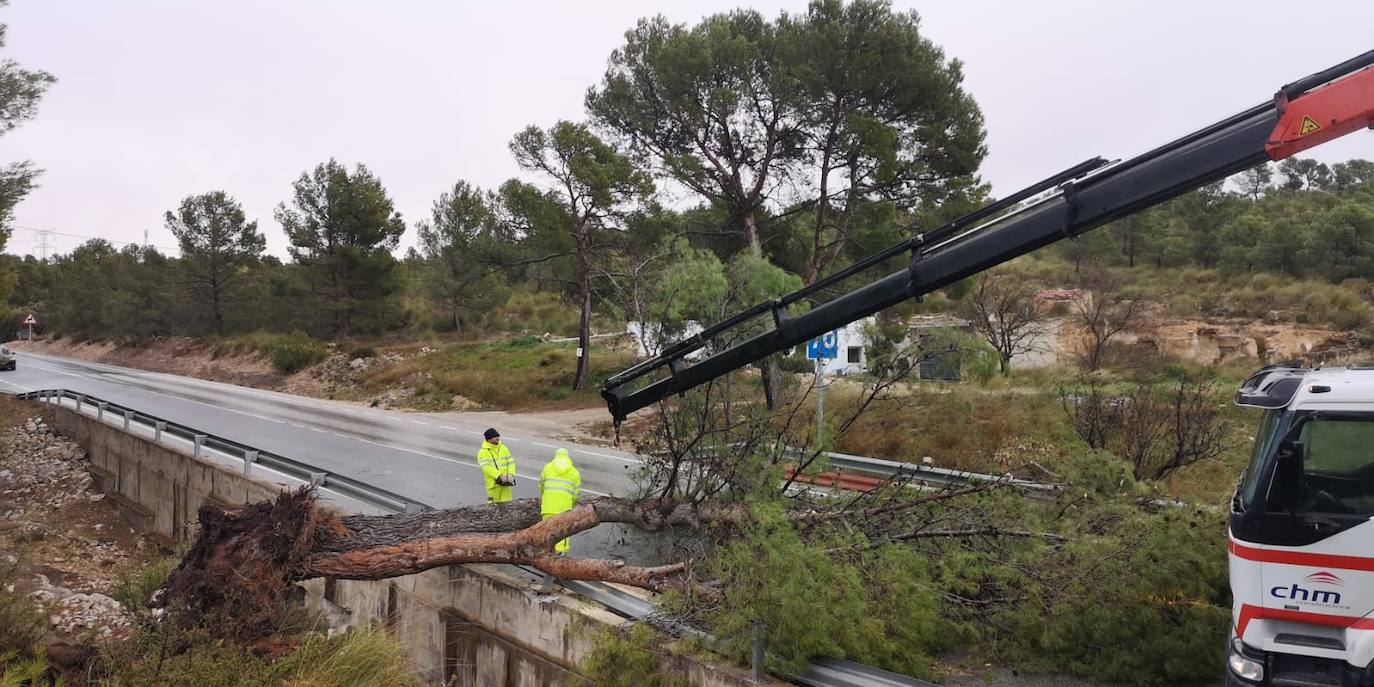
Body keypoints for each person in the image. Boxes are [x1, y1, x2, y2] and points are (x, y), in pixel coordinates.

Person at [538, 448, 582, 554]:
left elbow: (541, 485)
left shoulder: (547, 468)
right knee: (563, 531)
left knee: (547, 531)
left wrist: (545, 497)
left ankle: (546, 552)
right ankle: (560, 553)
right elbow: (576, 494)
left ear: (555, 456)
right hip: (564, 508)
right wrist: (572, 502)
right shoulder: (574, 472)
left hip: (548, 506)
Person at [477, 428, 515, 503]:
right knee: (493, 507)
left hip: (505, 483)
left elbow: (511, 463)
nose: (497, 438)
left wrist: (511, 474)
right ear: (489, 439)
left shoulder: (503, 448)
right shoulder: (483, 452)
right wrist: (499, 476)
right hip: (493, 484)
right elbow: (486, 467)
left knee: (507, 505)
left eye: (498, 436)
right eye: (495, 437)